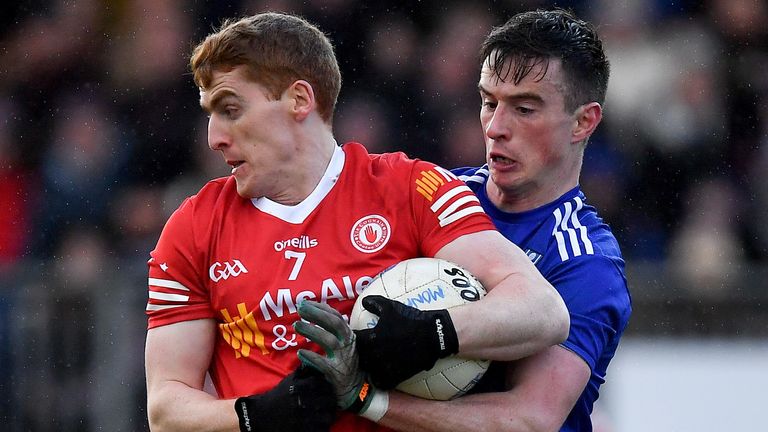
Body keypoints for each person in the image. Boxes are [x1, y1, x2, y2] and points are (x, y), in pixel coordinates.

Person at [143, 12, 569, 432]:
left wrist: (433, 333)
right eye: (210, 114)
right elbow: (165, 408)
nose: (213, 137)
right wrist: (256, 415)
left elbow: (542, 311)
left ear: (299, 100)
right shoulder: (193, 227)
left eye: (231, 109)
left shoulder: (412, 188)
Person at [299, 8, 631, 432]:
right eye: (489, 102)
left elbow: (528, 419)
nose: (495, 127)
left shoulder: (585, 262)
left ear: (583, 122)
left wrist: (368, 399)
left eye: (524, 108)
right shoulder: (432, 196)